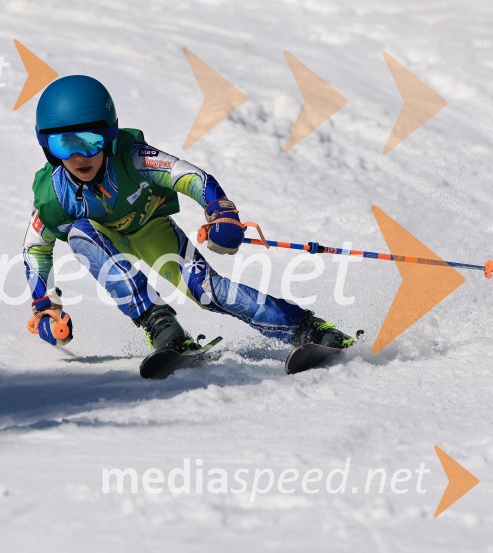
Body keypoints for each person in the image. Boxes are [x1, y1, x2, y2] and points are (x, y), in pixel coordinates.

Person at [23, 75, 354, 354]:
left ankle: (307, 329)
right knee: (79, 232)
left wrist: (220, 212)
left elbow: (193, 178)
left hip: (150, 230)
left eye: (91, 141)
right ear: (48, 149)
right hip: (102, 240)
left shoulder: (132, 158)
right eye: (65, 145)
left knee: (209, 292)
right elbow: (35, 249)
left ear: (109, 136)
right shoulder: (54, 197)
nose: (81, 156)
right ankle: (158, 322)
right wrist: (46, 305)